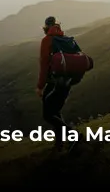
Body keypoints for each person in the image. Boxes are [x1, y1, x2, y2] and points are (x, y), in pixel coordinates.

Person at [36, 16, 84, 151]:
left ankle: (74, 136)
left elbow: (44, 64)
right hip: (67, 81)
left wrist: (40, 86)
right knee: (55, 111)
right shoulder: (65, 39)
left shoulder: (47, 41)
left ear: (46, 27)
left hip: (54, 82)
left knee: (48, 114)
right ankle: (59, 144)